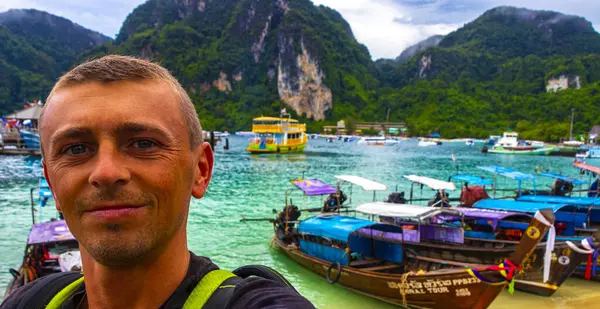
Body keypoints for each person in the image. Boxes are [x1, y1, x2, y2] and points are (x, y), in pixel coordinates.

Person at [1, 55, 314, 309]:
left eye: (143, 144)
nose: (107, 173)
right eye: (76, 149)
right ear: (52, 184)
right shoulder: (31, 301)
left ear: (201, 170)